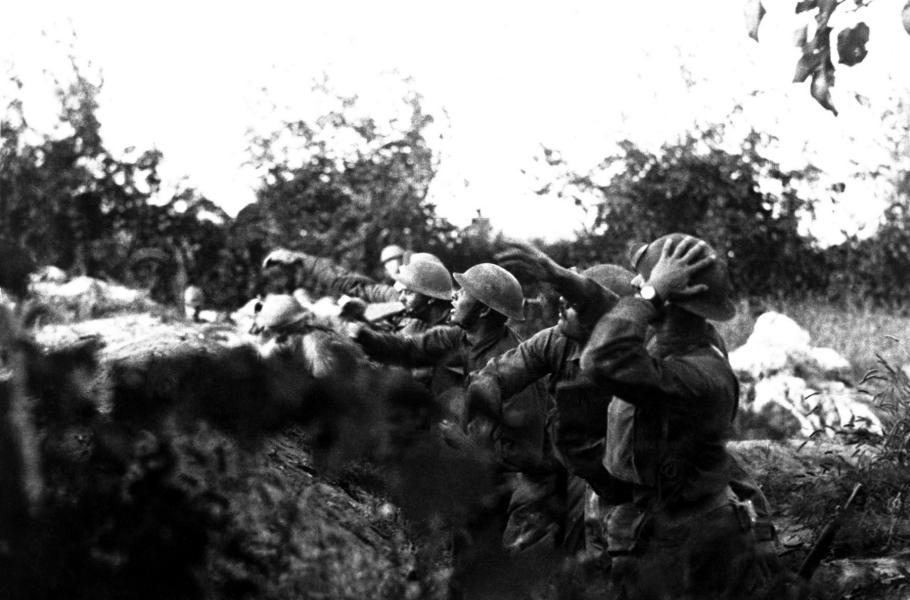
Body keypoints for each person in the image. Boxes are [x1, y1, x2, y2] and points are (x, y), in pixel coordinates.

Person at [580, 233, 781, 599]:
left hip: (687, 544)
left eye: (647, 278)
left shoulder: (699, 374)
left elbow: (599, 359)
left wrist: (652, 294)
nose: (637, 284)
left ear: (673, 300)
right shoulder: (675, 345)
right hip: (666, 528)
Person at [348, 262, 550, 599]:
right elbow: (412, 349)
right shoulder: (462, 338)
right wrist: (365, 338)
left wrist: (466, 445)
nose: (453, 296)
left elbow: (526, 452)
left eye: (463, 292)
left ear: (483, 310)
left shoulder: (515, 364)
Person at [469, 244, 638, 560]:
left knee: (603, 550)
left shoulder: (634, 358)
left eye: (575, 302)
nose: (562, 304)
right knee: (524, 539)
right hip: (563, 459)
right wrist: (484, 422)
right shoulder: (555, 339)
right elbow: (495, 376)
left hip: (621, 470)